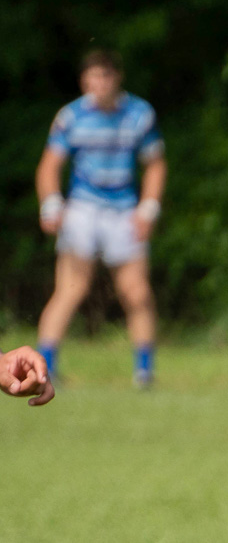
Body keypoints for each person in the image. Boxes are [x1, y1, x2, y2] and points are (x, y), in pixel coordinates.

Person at [35, 50, 165, 388]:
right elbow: (50, 165)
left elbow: (154, 164)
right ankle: (45, 365)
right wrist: (51, 204)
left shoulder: (138, 114)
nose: (99, 83)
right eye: (93, 77)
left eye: (105, 76)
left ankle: (144, 371)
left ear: (117, 78)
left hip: (123, 210)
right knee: (70, 289)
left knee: (136, 292)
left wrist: (148, 208)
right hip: (83, 209)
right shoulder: (71, 116)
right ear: (84, 80)